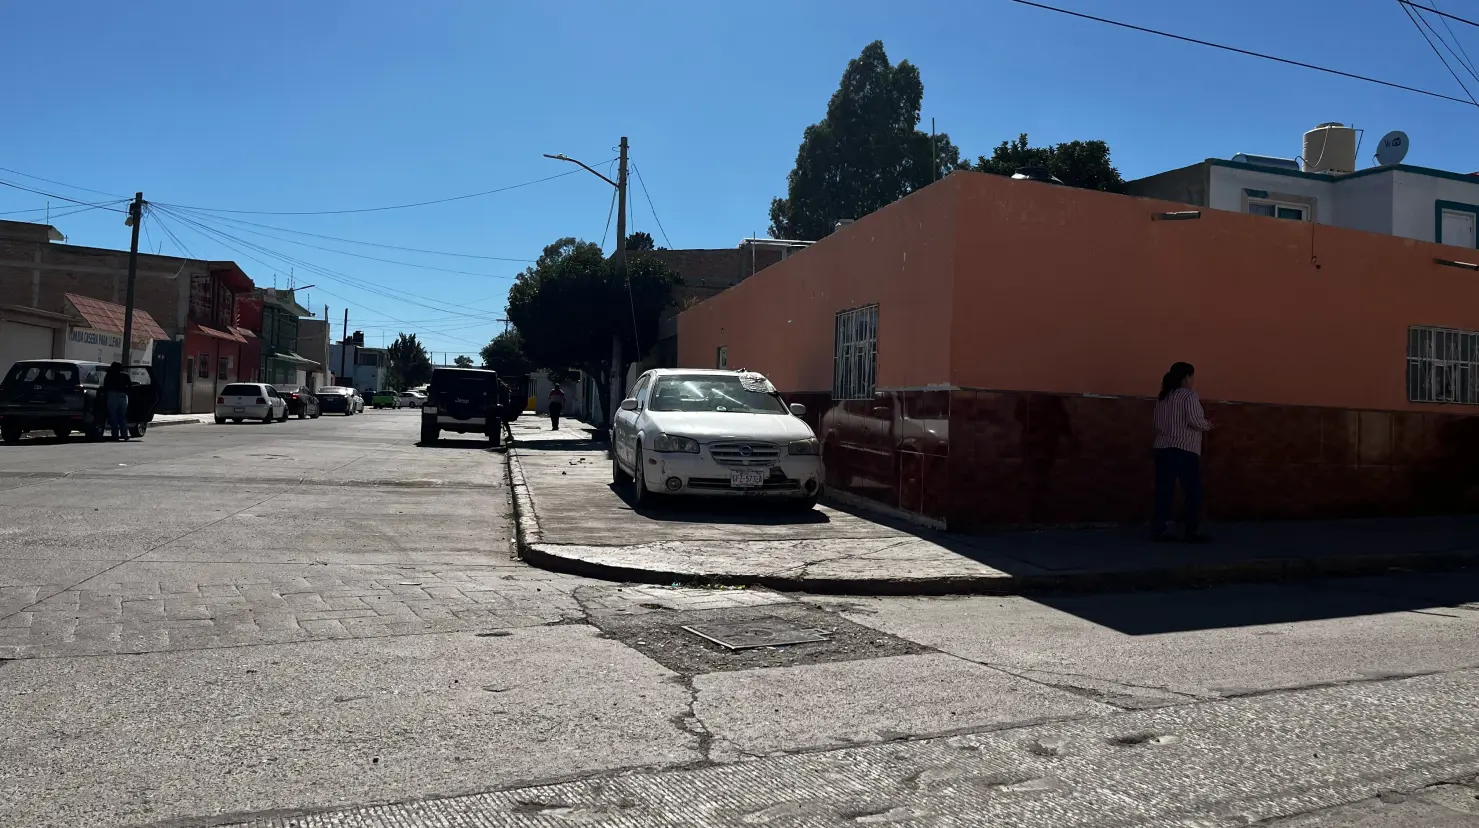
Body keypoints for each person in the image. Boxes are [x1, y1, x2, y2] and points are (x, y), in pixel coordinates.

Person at [1152, 361, 1213, 542]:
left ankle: (1160, 529)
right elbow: (1195, 421)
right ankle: (1191, 530)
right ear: (1186, 377)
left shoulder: (1163, 397)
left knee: (1164, 491)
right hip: (1184, 449)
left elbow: (1156, 425)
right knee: (1193, 491)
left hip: (1162, 448)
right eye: (1192, 376)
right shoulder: (1188, 396)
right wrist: (1209, 424)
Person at [101, 362, 132, 441]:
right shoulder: (125, 375)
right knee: (122, 416)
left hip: (112, 396)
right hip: (123, 396)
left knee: (113, 416)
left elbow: (105, 387)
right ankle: (124, 435)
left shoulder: (109, 375)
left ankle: (115, 435)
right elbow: (130, 387)